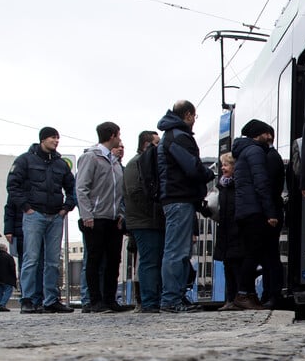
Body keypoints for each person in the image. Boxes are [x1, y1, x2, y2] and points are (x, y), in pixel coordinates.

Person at [6, 126, 76, 314]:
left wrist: (66, 208)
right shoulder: (25, 160)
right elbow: (13, 186)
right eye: (53, 138)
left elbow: (72, 188)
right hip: (34, 215)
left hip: (55, 216)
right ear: (43, 139)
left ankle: (51, 300)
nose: (56, 141)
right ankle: (27, 300)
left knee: (53, 261)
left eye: (58, 138)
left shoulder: (61, 164)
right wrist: (26, 208)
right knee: (31, 259)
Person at [156, 100, 215, 313]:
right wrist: (208, 173)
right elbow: (191, 167)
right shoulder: (179, 136)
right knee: (177, 252)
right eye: (194, 117)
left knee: (179, 251)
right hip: (179, 198)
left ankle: (176, 297)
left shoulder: (170, 135)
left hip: (176, 198)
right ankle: (171, 300)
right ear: (188, 115)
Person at [76, 121, 127, 314]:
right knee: (95, 260)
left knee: (113, 261)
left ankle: (110, 299)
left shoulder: (114, 162)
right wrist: (86, 214)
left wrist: (121, 213)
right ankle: (95, 300)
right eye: (119, 134)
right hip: (96, 218)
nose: (120, 138)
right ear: (112, 135)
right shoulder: (91, 157)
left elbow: (119, 192)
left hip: (114, 218)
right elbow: (81, 187)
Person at [232, 119, 277, 310]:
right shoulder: (256, 151)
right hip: (254, 211)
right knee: (253, 254)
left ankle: (248, 294)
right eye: (266, 133)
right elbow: (261, 184)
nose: (269, 137)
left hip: (244, 211)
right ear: (258, 135)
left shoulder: (242, 152)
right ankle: (243, 294)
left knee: (250, 253)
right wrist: (270, 212)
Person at [123, 130, 164, 313]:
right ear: (147, 145)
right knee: (149, 261)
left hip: (148, 220)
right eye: (156, 143)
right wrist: (157, 206)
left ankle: (153, 300)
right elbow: (135, 193)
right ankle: (149, 302)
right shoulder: (136, 164)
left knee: (153, 260)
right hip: (143, 221)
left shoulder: (143, 162)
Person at [214, 152, 244, 311]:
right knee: (228, 266)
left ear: (234, 166)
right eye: (222, 165)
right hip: (225, 231)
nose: (223, 168)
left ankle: (238, 298)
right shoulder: (222, 186)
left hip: (236, 230)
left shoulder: (237, 185)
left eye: (226, 165)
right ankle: (230, 298)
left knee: (236, 266)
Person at [261, 127, 286, 308]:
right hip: (273, 211)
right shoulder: (271, 157)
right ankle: (269, 293)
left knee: (270, 256)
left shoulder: (271, 158)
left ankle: (273, 293)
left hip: (271, 212)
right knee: (269, 255)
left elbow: (268, 188)